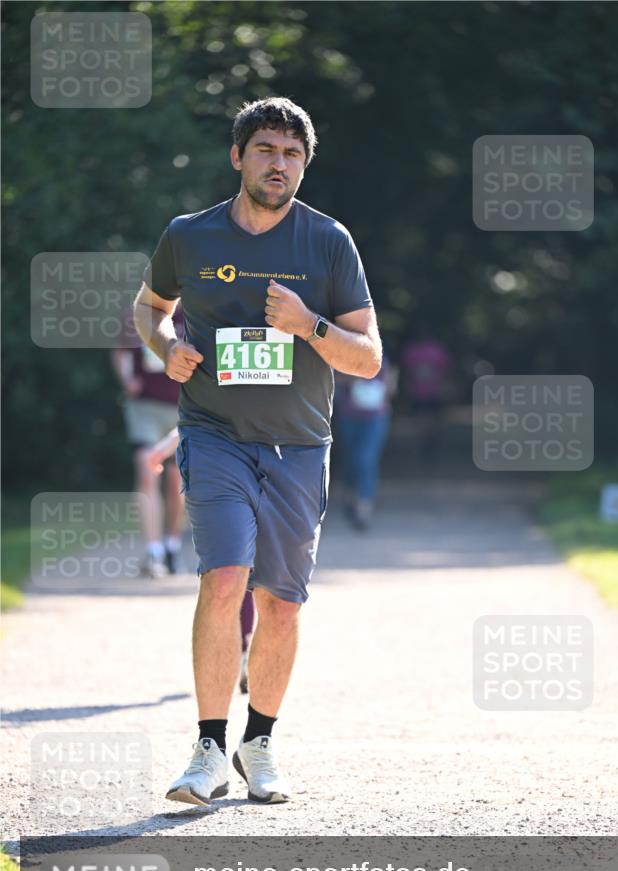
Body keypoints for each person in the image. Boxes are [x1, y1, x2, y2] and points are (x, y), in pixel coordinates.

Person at [133, 97, 382, 805]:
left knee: (281, 604)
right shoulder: (190, 235)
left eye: (292, 154)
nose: (280, 164)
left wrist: (310, 326)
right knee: (224, 578)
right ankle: (208, 747)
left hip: (300, 445)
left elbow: (366, 359)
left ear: (305, 164)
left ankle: (258, 742)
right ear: (237, 156)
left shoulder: (328, 241)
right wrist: (168, 346)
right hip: (214, 434)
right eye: (267, 150)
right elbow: (148, 308)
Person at [146, 427, 256, 694]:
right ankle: (236, 652)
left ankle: (241, 650)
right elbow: (196, 412)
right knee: (234, 573)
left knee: (245, 575)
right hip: (224, 483)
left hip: (260, 474)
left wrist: (165, 447)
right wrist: (166, 447)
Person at [111, 306, 186, 577]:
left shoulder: (195, 310)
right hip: (145, 407)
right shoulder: (136, 313)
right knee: (146, 469)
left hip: (183, 406)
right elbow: (121, 352)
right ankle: (153, 552)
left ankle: (171, 546)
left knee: (177, 479)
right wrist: (127, 379)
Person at [334, 358, 397, 530]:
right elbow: (333, 377)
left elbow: (391, 386)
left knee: (366, 460)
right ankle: (349, 496)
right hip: (349, 416)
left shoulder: (384, 357)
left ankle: (364, 508)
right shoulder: (343, 348)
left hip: (375, 418)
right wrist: (354, 378)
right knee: (351, 460)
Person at [401, 334, 450, 457]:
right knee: (421, 422)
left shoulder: (436, 349)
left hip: (433, 392)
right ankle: (424, 445)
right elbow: (407, 372)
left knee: (432, 422)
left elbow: (444, 370)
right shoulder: (411, 350)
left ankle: (431, 444)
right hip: (418, 392)